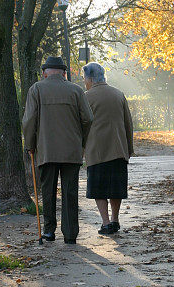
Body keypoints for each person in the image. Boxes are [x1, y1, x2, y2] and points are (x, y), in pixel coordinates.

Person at [23, 56, 93, 245]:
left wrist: (30, 144)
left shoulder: (36, 89)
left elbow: (29, 120)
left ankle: (48, 231)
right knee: (70, 192)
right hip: (71, 150)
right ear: (64, 73)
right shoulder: (76, 90)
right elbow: (88, 119)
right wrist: (82, 141)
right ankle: (70, 234)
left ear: (45, 72)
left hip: (47, 150)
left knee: (48, 191)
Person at [83, 62, 134, 235]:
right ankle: (115, 219)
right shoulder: (118, 94)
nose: (84, 82)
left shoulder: (86, 97)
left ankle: (105, 222)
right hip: (119, 149)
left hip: (97, 151)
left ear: (90, 79)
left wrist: (81, 148)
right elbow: (128, 124)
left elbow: (81, 124)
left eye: (85, 79)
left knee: (99, 189)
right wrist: (129, 148)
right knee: (116, 188)